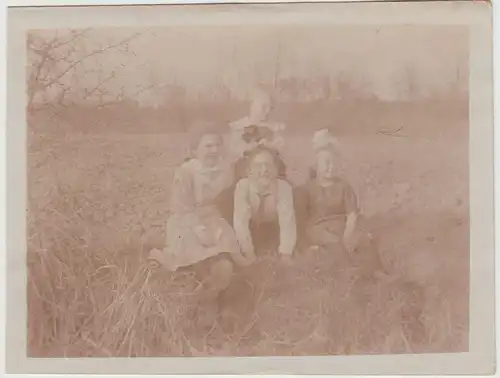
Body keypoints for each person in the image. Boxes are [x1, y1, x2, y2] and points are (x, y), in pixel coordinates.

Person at [148, 123, 253, 308]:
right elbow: (181, 207)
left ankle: (217, 279)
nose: (214, 150)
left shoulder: (226, 169)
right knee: (194, 245)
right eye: (208, 146)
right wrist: (198, 228)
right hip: (187, 220)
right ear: (195, 150)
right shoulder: (186, 172)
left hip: (213, 218)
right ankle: (210, 288)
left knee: (223, 246)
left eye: (217, 145)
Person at [232, 146, 297, 262]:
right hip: (251, 227)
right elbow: (240, 223)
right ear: (249, 171)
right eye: (258, 166)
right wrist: (249, 253)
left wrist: (286, 254)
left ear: (276, 170)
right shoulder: (243, 187)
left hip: (272, 228)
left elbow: (287, 221)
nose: (264, 170)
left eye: (269, 165)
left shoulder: (283, 187)